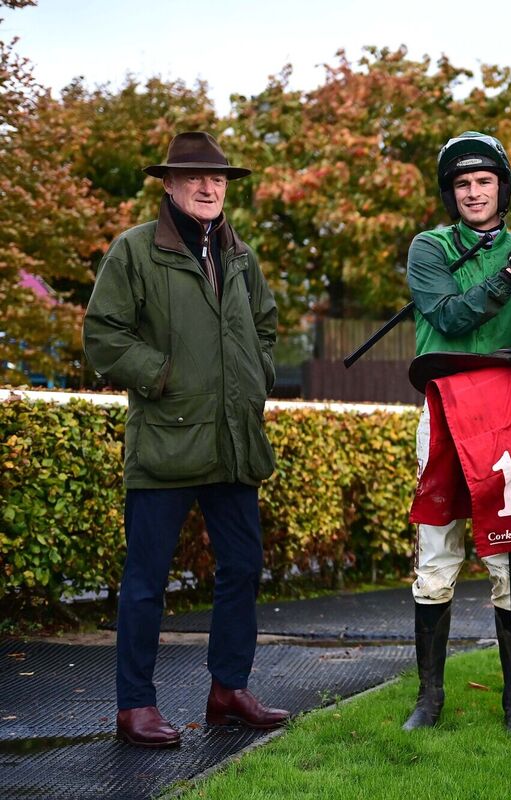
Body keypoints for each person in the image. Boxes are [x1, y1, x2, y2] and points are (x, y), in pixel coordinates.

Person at [83, 131, 288, 748]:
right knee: (147, 578)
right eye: (194, 178)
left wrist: (258, 378)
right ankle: (134, 706)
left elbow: (268, 329)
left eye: (218, 180)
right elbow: (104, 336)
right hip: (167, 442)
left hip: (233, 443)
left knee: (243, 567)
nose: (208, 188)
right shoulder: (135, 252)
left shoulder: (241, 256)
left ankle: (228, 690)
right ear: (168, 185)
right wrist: (162, 376)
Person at [403, 131, 511, 732]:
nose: (473, 192)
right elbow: (450, 315)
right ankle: (430, 697)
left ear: (502, 188)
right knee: (437, 555)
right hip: (444, 409)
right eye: (463, 184)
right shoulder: (429, 247)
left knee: (510, 557)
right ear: (451, 193)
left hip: (509, 417)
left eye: (484, 182)